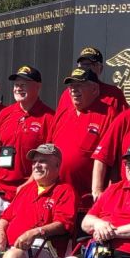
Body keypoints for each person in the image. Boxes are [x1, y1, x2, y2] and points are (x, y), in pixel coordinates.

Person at [0, 65, 55, 224]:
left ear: (38, 86)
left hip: (27, 191)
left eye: (24, 84)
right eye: (16, 84)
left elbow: (49, 161)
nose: (18, 88)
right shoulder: (4, 114)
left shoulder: (49, 118)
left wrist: (27, 185)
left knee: (18, 236)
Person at [49, 66, 112, 206]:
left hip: (87, 201)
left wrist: (98, 189)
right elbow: (48, 150)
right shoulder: (63, 113)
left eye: (79, 85)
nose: (73, 89)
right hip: (57, 197)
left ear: (94, 89)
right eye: (71, 85)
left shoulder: (108, 114)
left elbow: (108, 156)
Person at [56, 46, 127, 119]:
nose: (85, 68)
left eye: (88, 64)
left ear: (100, 68)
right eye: (82, 65)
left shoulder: (114, 94)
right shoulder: (67, 94)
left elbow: (124, 122)